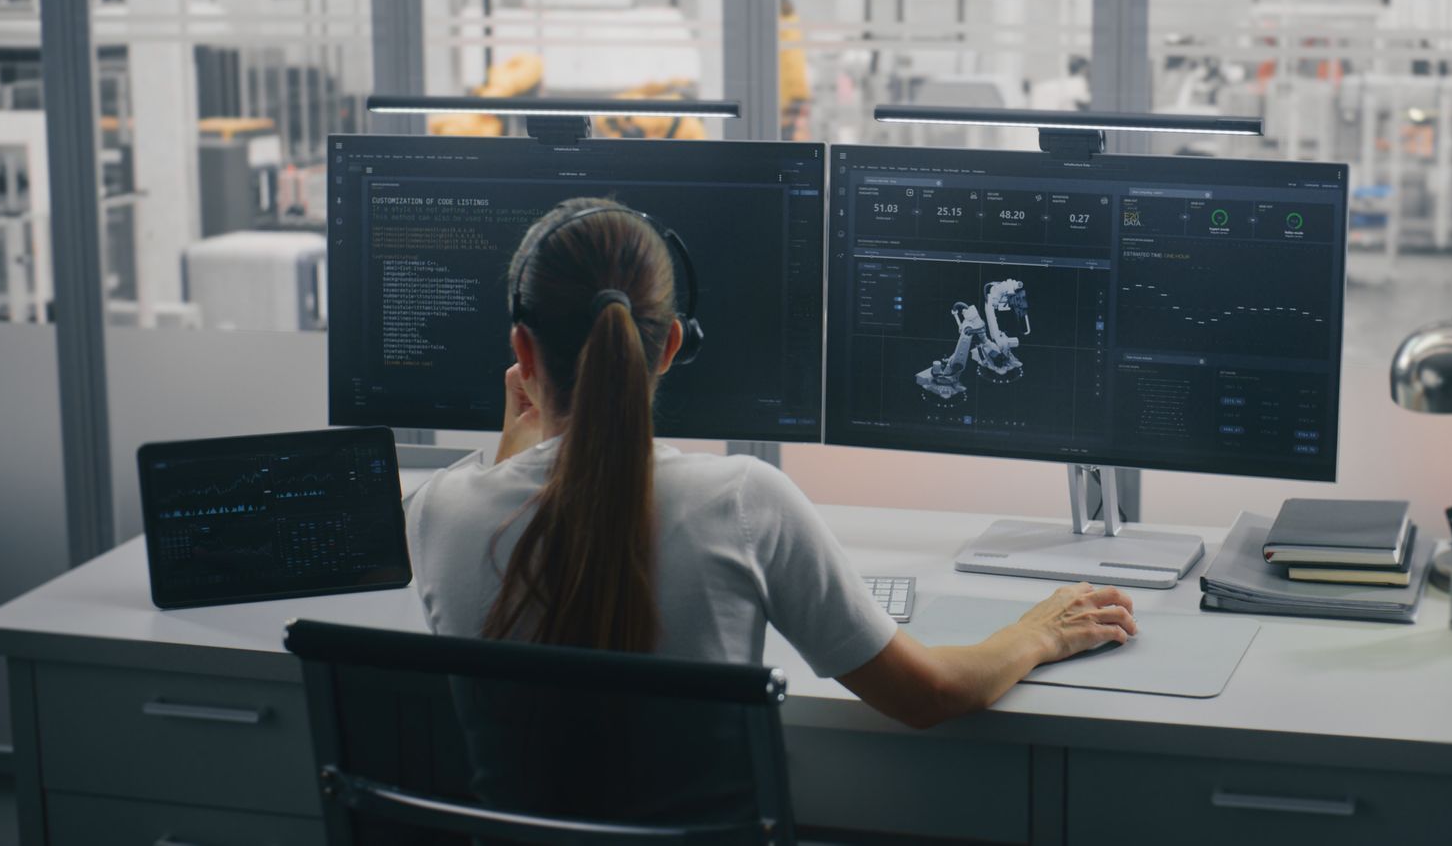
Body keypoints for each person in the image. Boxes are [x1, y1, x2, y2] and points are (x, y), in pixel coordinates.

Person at [408, 197, 1138, 730]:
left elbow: (515, 512)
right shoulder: (743, 502)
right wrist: (1040, 629)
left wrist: (518, 449)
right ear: (668, 348)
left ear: (522, 352)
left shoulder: (439, 511)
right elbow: (931, 693)